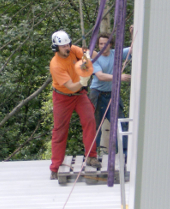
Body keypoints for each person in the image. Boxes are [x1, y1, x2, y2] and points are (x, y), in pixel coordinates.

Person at [49, 30, 101, 180]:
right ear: (56, 48)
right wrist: (83, 81)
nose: (66, 47)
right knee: (60, 130)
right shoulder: (56, 65)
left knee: (89, 120)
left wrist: (88, 56)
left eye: (67, 44)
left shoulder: (72, 50)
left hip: (79, 95)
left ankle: (91, 156)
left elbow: (95, 53)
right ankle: (55, 166)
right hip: (63, 97)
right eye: (62, 46)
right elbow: (71, 86)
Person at [88, 31, 132, 153]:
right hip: (97, 94)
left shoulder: (116, 54)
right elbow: (100, 76)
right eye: (101, 44)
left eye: (105, 43)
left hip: (112, 94)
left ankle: (124, 154)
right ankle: (92, 155)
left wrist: (132, 34)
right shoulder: (95, 58)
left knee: (120, 124)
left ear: (110, 44)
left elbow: (133, 48)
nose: (103, 46)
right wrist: (119, 76)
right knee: (95, 126)